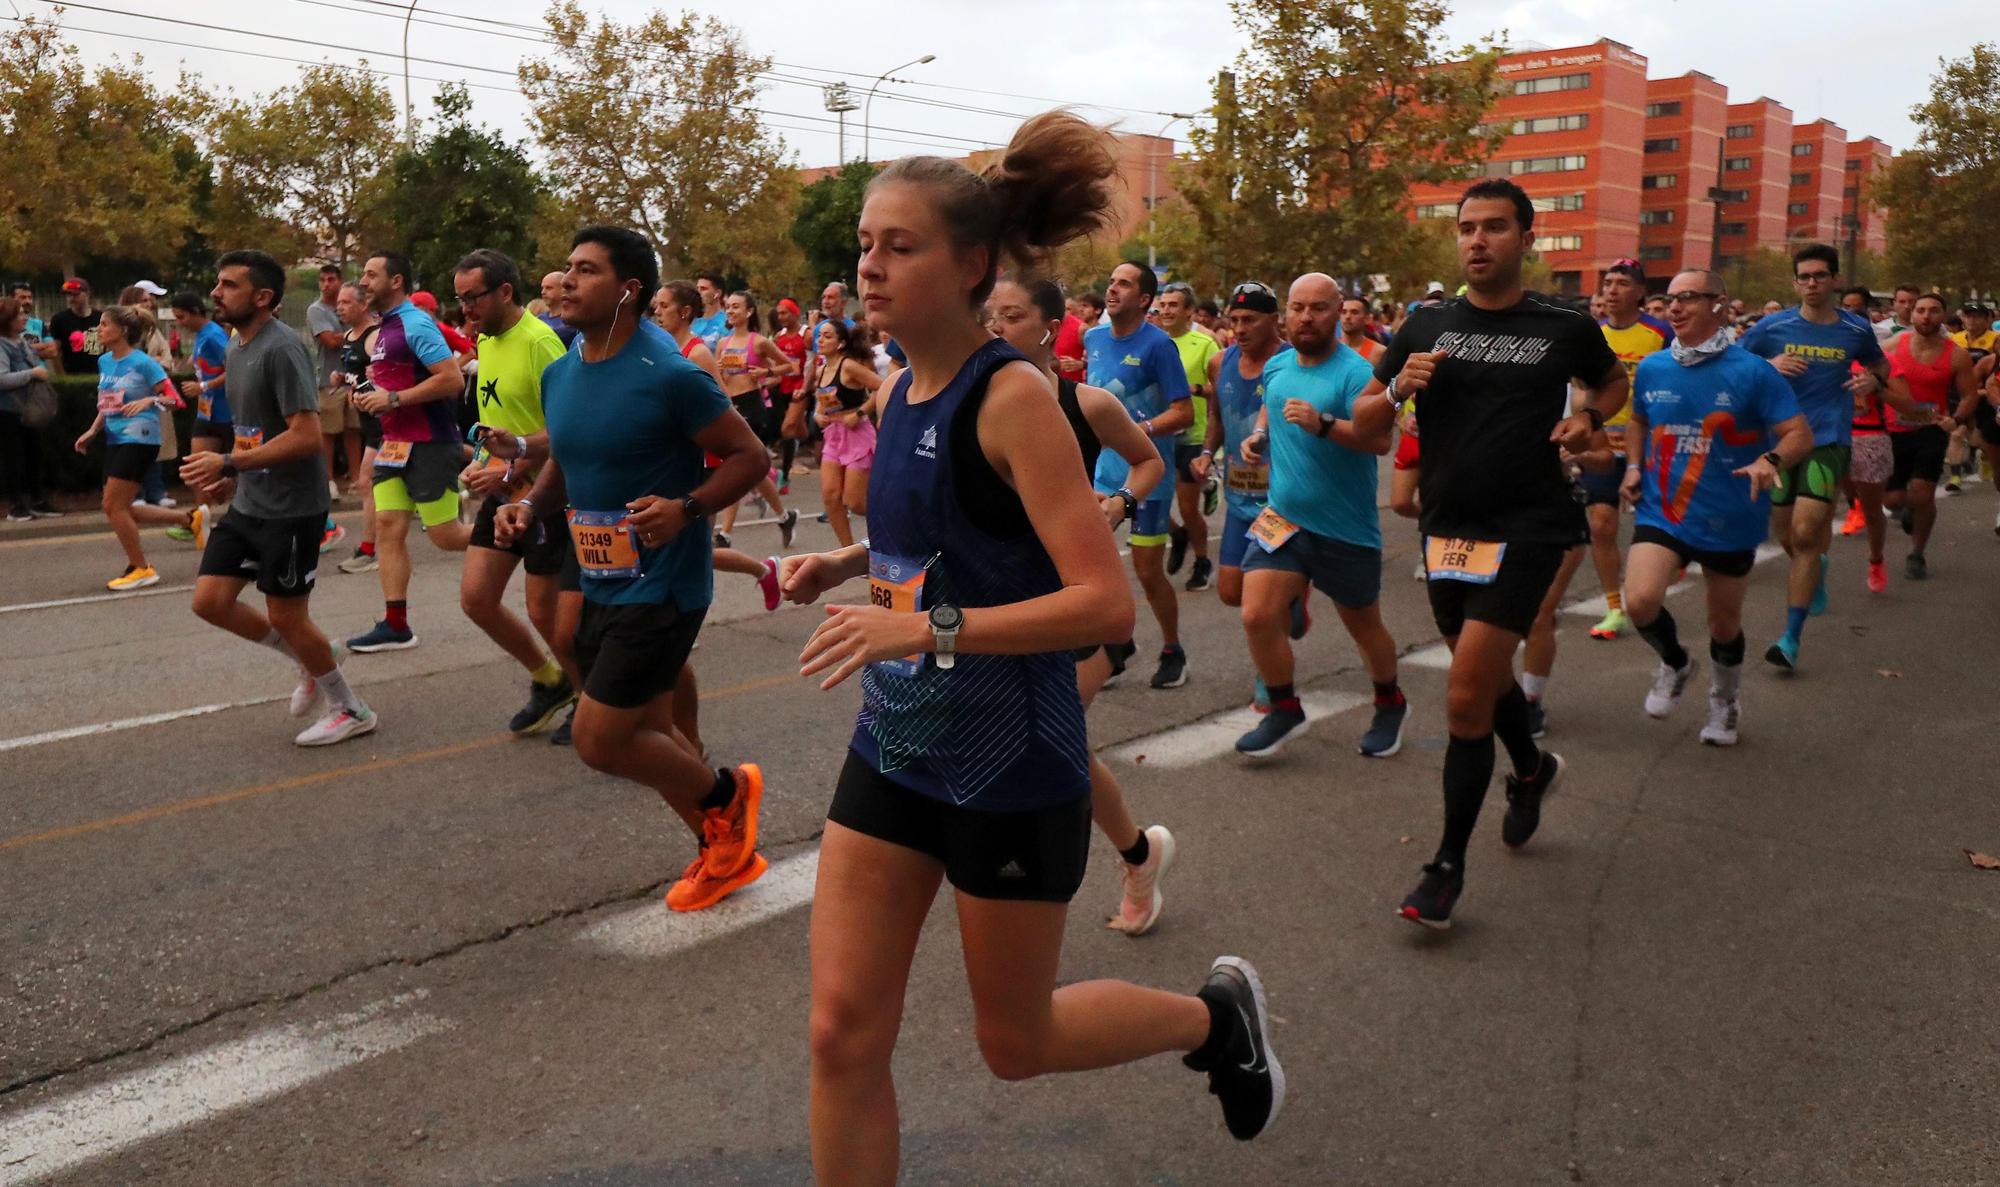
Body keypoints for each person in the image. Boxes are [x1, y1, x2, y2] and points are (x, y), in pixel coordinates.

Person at [779, 114, 1282, 1185]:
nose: (866, 264)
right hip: (896, 748)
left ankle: (1210, 1017)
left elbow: (1102, 605)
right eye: (863, 243)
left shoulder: (1012, 397)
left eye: (896, 245)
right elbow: (950, 531)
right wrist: (846, 562)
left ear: (970, 265)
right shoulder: (899, 384)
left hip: (1010, 764)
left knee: (1016, 1044)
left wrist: (921, 626)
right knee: (838, 1034)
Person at [493, 225, 771, 912]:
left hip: (665, 583)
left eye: (585, 270)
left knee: (599, 738)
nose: (565, 281)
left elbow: (751, 457)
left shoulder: (669, 373)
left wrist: (687, 508)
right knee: (651, 732)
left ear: (628, 289)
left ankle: (727, 795)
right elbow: (569, 457)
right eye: (565, 267)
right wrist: (530, 504)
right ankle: (723, 853)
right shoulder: (562, 371)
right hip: (599, 578)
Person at [1374, 177, 1627, 929]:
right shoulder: (1425, 325)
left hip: (1529, 527)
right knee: (1481, 678)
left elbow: (1610, 384)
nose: (1476, 240)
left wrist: (1586, 416)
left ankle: (1446, 865)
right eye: (1466, 228)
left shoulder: (1563, 323)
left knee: (1463, 691)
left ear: (1526, 236)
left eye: (1492, 227)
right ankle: (1532, 768)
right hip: (1448, 527)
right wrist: (1394, 393)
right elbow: (1366, 409)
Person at [986, 273, 1177, 935]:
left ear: (1046, 326)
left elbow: (1147, 462)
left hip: (1078, 607)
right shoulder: (973, 402)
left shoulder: (1086, 403)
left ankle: (1031, 887)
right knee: (1054, 745)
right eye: (990, 315)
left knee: (1039, 742)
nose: (996, 326)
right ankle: (1139, 851)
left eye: (1011, 315)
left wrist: (1121, 500)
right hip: (1001, 607)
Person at [177, 250, 376, 746]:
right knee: (210, 601)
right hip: (251, 500)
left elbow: (306, 436)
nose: (217, 293)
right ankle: (311, 656)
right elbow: (255, 432)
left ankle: (352, 708)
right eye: (218, 284)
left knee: (288, 615)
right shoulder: (235, 344)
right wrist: (236, 477)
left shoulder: (281, 348)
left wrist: (227, 463)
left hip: (293, 508)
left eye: (229, 285)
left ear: (262, 297)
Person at [1619, 270, 1812, 744]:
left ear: (1719, 305)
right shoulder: (1653, 367)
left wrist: (1770, 460)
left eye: (1689, 298)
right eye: (1670, 299)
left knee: (1723, 624)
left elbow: (1798, 434)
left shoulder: (1753, 371)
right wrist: (1633, 466)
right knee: (1640, 601)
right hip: (1663, 509)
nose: (1676, 307)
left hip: (1731, 513)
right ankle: (1676, 662)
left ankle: (1725, 700)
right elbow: (1639, 422)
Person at [1231, 273, 1405, 760]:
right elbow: (1272, 406)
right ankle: (1284, 708)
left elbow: (1377, 442)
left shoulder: (1357, 373)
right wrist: (1259, 437)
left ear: (1340, 314)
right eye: (1298, 307)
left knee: (1365, 629)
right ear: (1285, 314)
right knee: (1256, 613)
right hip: (1284, 518)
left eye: (1319, 308)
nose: (1307, 317)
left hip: (1345, 528)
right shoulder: (1278, 365)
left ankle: (1390, 702)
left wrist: (1324, 424)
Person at [1735, 244, 1906, 671]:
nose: (1812, 283)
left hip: (1828, 438)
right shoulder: (1773, 327)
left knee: (1808, 529)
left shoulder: (1855, 329)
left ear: (1833, 280)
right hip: (1778, 440)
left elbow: (1879, 366)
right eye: (1804, 276)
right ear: (1795, 283)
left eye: (1819, 275)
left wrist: (1871, 380)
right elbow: (1737, 362)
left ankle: (1790, 639)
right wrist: (1770, 365)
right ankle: (1817, 570)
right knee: (1786, 532)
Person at [450, 248, 580, 736]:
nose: (466, 309)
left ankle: (590, 698)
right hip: (504, 493)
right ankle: (550, 681)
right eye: (460, 299)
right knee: (477, 599)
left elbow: (566, 432)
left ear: (505, 291)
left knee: (547, 614)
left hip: (546, 496)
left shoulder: (540, 343)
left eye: (473, 297)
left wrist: (512, 467)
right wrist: (484, 464)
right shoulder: (487, 341)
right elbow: (499, 424)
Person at [345, 250, 470, 652]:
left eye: (370, 274)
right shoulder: (384, 327)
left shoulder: (416, 323)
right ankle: (396, 624)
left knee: (446, 537)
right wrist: (367, 396)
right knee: (387, 528)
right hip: (392, 446)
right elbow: (391, 385)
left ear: (395, 281)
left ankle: (523, 532)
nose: (363, 281)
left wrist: (394, 399)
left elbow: (450, 380)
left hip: (430, 444)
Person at [1197, 281, 1307, 710]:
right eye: (1234, 319)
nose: (1239, 328)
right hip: (1238, 497)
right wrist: (1207, 453)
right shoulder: (1220, 361)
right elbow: (1217, 417)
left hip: (1280, 500)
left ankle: (1270, 678)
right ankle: (1291, 598)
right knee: (1229, 591)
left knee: (1260, 605)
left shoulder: (1290, 362)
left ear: (1274, 321)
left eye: (1250, 320)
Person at [1089, 261, 1194, 689]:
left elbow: (1183, 412)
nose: (1113, 289)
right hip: (1101, 474)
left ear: (1144, 299)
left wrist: (1139, 431)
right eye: (1112, 281)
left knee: (1148, 571)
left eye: (1124, 284)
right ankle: (1115, 646)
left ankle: (1173, 649)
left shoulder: (1158, 346)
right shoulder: (1092, 338)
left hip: (1148, 473)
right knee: (1092, 568)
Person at [72, 305, 201, 589]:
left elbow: (173, 399)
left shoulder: (143, 362)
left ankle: (141, 568)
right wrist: (93, 430)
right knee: (121, 506)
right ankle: (189, 519)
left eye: (105, 324)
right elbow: (108, 402)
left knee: (112, 505)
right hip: (116, 438)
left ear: (123, 331)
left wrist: (148, 401)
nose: (99, 329)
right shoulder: (105, 361)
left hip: (141, 437)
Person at [1585, 259, 1672, 640]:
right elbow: (1583, 390)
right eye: (1608, 283)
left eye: (1622, 282)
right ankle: (1614, 608)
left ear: (1640, 292)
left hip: (1651, 449)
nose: (1612, 289)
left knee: (1653, 529)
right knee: (1601, 525)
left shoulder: (1661, 333)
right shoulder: (1592, 336)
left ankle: (1649, 588)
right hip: (1604, 447)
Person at [1883, 293, 1978, 576]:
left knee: (1923, 495)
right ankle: (1908, 509)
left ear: (1945, 315)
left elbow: (1969, 395)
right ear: (1911, 315)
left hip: (1931, 431)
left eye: (1934, 311)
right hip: (1893, 431)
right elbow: (1870, 377)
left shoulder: (1956, 355)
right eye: (1920, 310)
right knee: (1893, 500)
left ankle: (1917, 554)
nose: (1926, 316)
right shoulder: (1890, 346)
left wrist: (1957, 419)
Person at [711, 291, 800, 549]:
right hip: (731, 406)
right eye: (728, 307)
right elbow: (721, 377)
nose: (730, 311)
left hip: (753, 406)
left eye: (736, 307)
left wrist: (766, 371)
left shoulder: (759, 342)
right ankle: (784, 517)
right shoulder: (723, 343)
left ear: (749, 312)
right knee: (755, 471)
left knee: (735, 467)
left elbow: (789, 366)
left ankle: (725, 534)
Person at [1156, 282, 1219, 593]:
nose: (1166, 310)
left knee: (1187, 507)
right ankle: (1176, 534)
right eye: (1163, 304)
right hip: (1157, 432)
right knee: (1141, 498)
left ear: (1189, 312)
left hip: (1191, 436)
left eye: (1173, 305)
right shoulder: (1152, 342)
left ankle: (1203, 561)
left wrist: (1193, 390)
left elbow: (1219, 388)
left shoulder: (1204, 344)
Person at [811, 318, 880, 548]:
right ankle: (849, 551)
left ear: (840, 343)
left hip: (858, 435)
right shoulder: (821, 370)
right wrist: (817, 415)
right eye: (819, 335)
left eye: (827, 336)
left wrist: (859, 414)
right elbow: (823, 402)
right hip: (834, 435)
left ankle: (892, 522)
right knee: (830, 497)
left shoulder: (848, 366)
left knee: (855, 502)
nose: (820, 339)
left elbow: (882, 387)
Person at [331, 284, 385, 575]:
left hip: (385, 424)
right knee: (380, 485)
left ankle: (369, 550)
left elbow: (390, 379)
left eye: (346, 302)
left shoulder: (375, 337)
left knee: (367, 481)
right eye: (338, 302)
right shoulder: (349, 337)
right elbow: (358, 375)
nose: (339, 307)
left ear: (363, 305)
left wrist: (373, 385)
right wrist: (343, 379)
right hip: (370, 424)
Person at [305, 264, 362, 500]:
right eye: (322, 280)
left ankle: (358, 479)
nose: (326, 284)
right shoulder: (316, 310)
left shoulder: (350, 306)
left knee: (354, 430)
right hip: (328, 380)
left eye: (331, 279)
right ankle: (328, 481)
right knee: (328, 433)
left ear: (340, 282)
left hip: (354, 379)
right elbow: (330, 341)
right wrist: (357, 332)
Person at [0, 297, 55, 521]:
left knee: (34, 456)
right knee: (14, 459)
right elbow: (2, 379)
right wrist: (31, 374)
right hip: (9, 411)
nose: (24, 318)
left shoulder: (20, 341)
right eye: (19, 315)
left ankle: (37, 500)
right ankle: (17, 505)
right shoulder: (2, 345)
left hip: (27, 411)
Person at [771, 297, 810, 491]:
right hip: (784, 386)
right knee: (799, 430)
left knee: (787, 429)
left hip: (801, 387)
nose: (781, 317)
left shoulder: (807, 334)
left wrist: (807, 386)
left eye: (784, 313)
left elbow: (812, 361)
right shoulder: (779, 336)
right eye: (778, 313)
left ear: (795, 313)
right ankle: (814, 438)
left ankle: (784, 478)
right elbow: (778, 364)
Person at [49, 278, 101, 377]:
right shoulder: (60, 320)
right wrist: (62, 377)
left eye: (76, 294)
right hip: (72, 376)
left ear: (87, 294)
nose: (72, 298)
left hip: (99, 375)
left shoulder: (100, 318)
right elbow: (56, 352)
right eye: (69, 295)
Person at [536, 271, 580, 346]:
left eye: (549, 288)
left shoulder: (574, 321)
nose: (543, 292)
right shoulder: (539, 319)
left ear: (563, 289)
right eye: (542, 288)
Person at [690, 270, 729, 348]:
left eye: (703, 289)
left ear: (717, 293)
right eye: (697, 288)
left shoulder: (726, 323)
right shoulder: (690, 320)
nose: (698, 292)